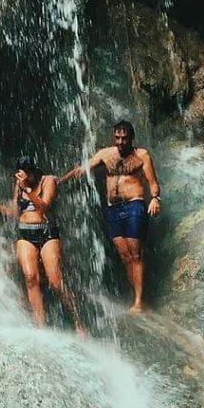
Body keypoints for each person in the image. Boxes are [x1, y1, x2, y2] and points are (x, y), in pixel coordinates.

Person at [0, 156, 85, 335]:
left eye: (27, 176)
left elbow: (43, 207)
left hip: (47, 232)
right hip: (25, 234)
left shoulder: (48, 181)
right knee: (31, 278)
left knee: (55, 281)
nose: (23, 179)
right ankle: (41, 328)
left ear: (33, 172)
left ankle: (79, 323)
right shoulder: (19, 184)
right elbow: (16, 213)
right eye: (21, 176)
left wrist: (27, 188)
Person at [60, 120, 161, 313]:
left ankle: (139, 302)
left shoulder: (141, 156)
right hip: (113, 210)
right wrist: (61, 180)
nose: (120, 142)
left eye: (124, 138)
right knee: (124, 256)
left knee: (136, 255)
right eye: (117, 137)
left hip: (134, 206)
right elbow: (83, 169)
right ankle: (135, 295)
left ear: (131, 138)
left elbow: (152, 182)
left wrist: (155, 198)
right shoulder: (105, 154)